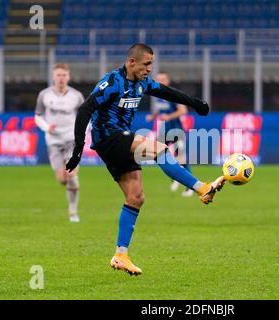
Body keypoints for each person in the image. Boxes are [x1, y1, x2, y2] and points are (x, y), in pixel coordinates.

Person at [65, 43, 225, 275]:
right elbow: (85, 110)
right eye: (146, 64)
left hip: (120, 141)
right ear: (131, 62)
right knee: (159, 149)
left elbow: (167, 92)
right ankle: (202, 188)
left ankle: (121, 255)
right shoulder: (112, 82)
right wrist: (78, 149)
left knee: (136, 197)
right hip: (109, 137)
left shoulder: (142, 83)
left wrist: (196, 103)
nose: (150, 68)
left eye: (151, 64)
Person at [35, 63, 84, 223]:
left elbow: (85, 116)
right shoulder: (44, 95)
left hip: (72, 139)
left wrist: (82, 133)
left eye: (64, 75)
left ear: (68, 76)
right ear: (53, 76)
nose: (61, 78)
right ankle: (69, 182)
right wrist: (47, 127)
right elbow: (37, 116)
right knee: (62, 179)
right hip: (54, 141)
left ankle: (73, 212)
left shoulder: (76, 96)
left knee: (71, 174)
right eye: (58, 75)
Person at [146, 71, 194, 197]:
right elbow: (159, 108)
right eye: (158, 79)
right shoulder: (157, 95)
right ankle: (174, 178)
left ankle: (190, 186)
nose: (160, 81)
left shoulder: (173, 95)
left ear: (168, 81)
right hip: (164, 131)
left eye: (163, 79)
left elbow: (183, 110)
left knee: (182, 158)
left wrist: (169, 116)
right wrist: (153, 116)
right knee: (159, 155)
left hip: (176, 129)